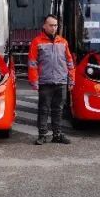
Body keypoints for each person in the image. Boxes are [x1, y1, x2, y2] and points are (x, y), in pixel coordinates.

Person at [27, 14, 76, 145]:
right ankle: (42, 135)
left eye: (55, 25)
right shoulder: (37, 42)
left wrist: (71, 80)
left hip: (61, 82)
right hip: (45, 82)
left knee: (58, 110)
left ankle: (57, 135)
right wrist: (34, 81)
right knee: (43, 109)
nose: (54, 28)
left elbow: (70, 62)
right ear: (44, 26)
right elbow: (32, 63)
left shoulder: (63, 42)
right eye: (51, 25)